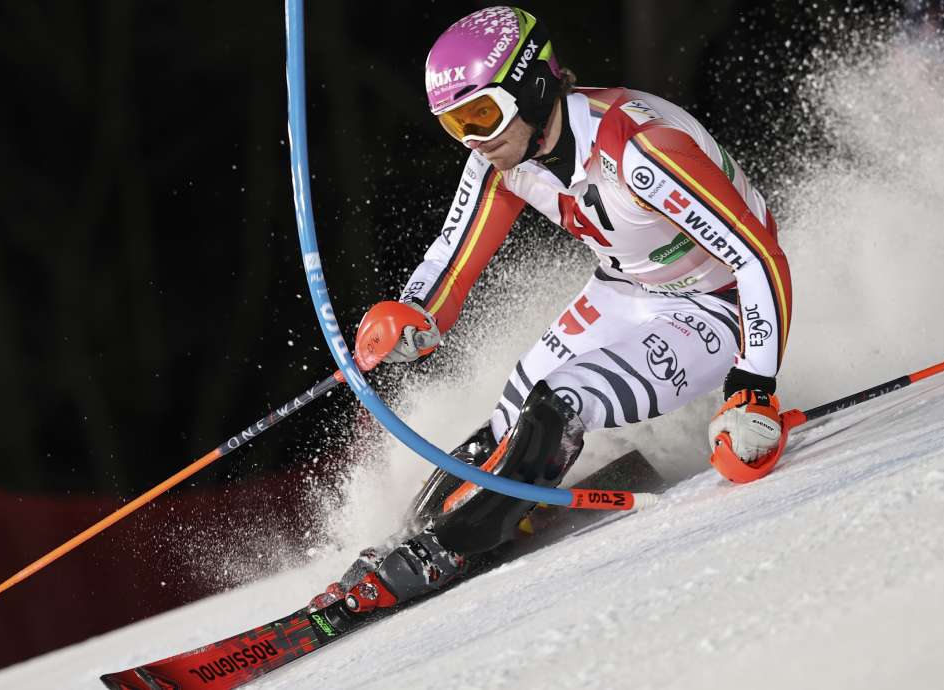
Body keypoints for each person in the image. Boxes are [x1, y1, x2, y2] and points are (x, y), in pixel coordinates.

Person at [310, 6, 793, 615]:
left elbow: (760, 259)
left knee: (562, 398)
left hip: (718, 302)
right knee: (513, 414)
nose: (473, 138)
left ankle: (454, 546)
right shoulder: (499, 162)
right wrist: (413, 314)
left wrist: (753, 388)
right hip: (625, 288)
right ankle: (402, 545)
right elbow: (453, 257)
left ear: (533, 84)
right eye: (454, 124)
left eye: (481, 114)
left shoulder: (640, 148)